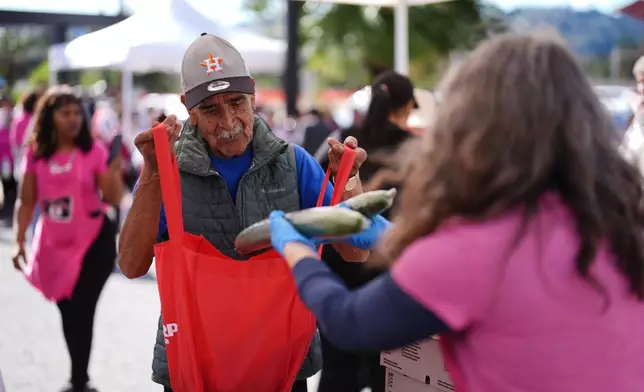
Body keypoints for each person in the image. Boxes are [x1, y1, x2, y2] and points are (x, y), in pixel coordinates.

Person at [268, 31, 644, 392]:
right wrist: (389, 236)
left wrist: (296, 248)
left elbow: (348, 322)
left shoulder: (476, 248)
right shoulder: (621, 222)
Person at [117, 33, 368, 392]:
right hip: (195, 365)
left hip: (280, 364)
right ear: (189, 107)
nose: (228, 121)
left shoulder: (293, 164)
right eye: (210, 110)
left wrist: (350, 179)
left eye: (237, 102)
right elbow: (130, 264)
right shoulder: (168, 172)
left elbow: (357, 249)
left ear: (253, 94)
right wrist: (152, 172)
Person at [12, 85, 125, 392]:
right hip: (53, 247)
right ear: (50, 117)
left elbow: (113, 197)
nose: (74, 119)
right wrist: (19, 240)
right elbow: (26, 200)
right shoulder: (36, 155)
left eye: (77, 113)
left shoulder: (93, 152)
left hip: (94, 244)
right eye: (65, 113)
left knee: (82, 308)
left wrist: (114, 169)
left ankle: (79, 380)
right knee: (67, 307)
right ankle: (79, 378)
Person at [315, 70, 419, 392]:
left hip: (338, 267)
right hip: (387, 273)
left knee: (336, 368)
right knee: (387, 372)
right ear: (405, 108)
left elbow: (316, 190)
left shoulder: (343, 139)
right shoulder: (416, 150)